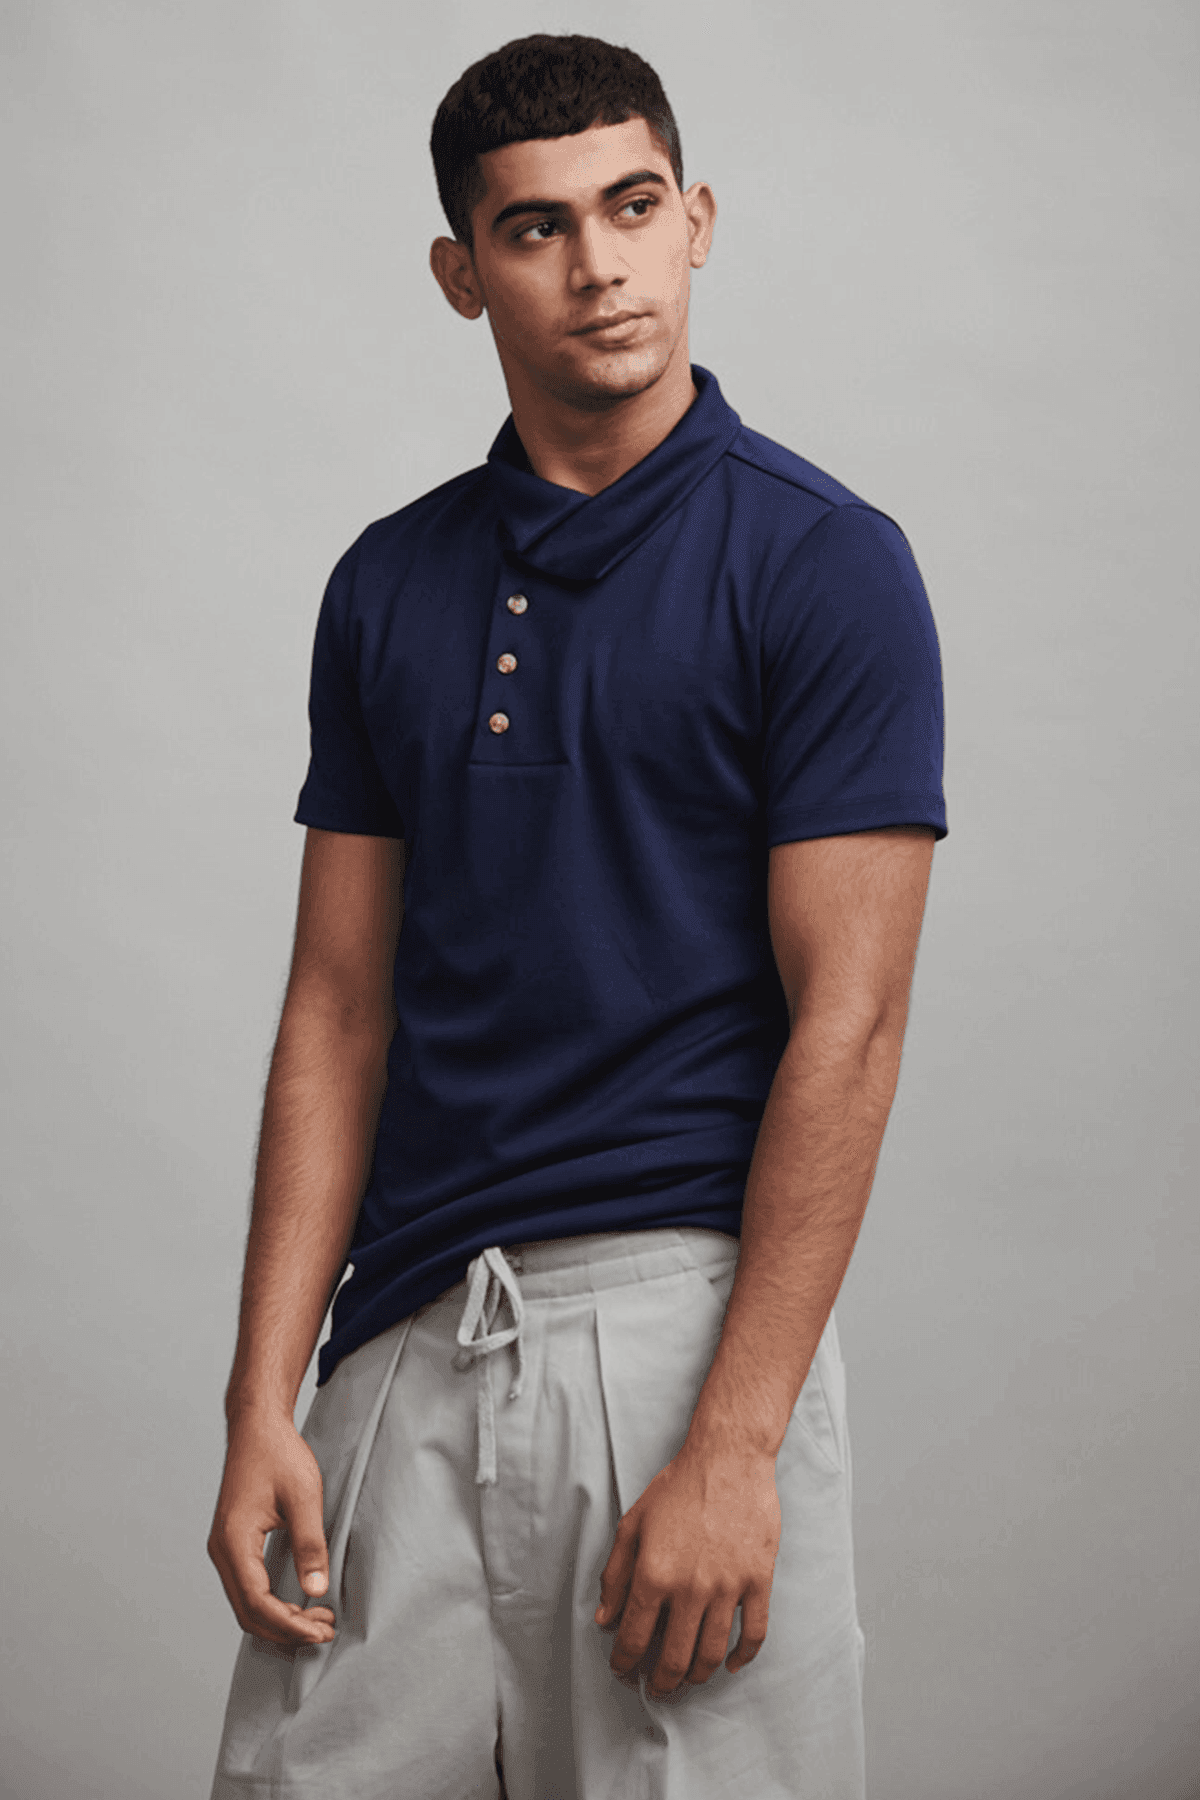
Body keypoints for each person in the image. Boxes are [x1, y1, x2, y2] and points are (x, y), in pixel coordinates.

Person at [205, 30, 946, 1800]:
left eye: (631, 208)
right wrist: (261, 1400)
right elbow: (336, 1010)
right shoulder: (387, 581)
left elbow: (849, 1027)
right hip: (403, 1338)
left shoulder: (821, 560)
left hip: (677, 1329)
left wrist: (736, 1443)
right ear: (463, 274)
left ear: (698, 221)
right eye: (535, 228)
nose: (598, 264)